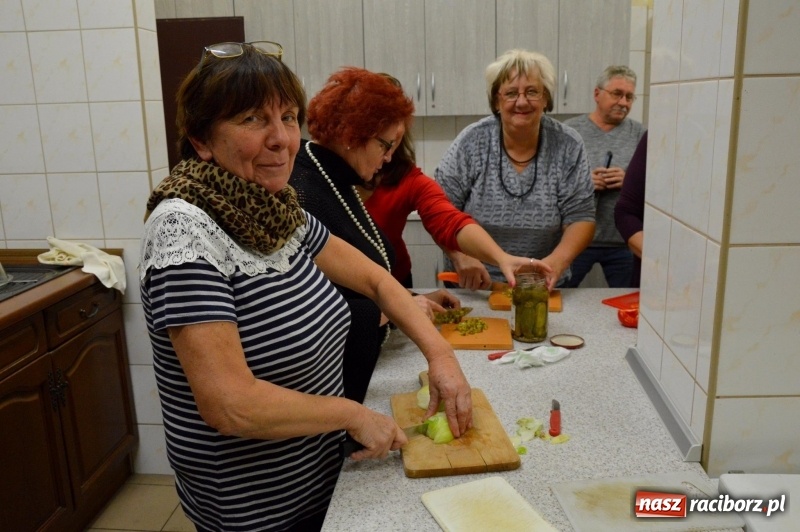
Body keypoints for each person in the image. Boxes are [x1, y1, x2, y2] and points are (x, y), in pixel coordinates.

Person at [139, 43, 472, 532]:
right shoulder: (183, 232)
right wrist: (351, 415)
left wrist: (441, 358)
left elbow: (376, 279)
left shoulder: (276, 210)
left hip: (319, 481)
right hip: (255, 509)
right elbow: (231, 405)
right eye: (253, 119)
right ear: (201, 139)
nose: (281, 139)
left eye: (289, 117)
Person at [291, 67, 549, 403]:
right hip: (327, 387)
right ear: (353, 134)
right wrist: (401, 308)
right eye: (386, 144)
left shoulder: (337, 176)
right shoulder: (303, 190)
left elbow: (445, 220)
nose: (389, 156)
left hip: (361, 364)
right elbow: (310, 309)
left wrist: (412, 298)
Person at [362, 74, 554, 291]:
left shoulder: (409, 179)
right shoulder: (331, 179)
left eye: (392, 143)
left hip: (393, 282)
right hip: (347, 289)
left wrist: (501, 258)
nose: (387, 155)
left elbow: (450, 220)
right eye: (381, 143)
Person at [435, 49, 596, 288]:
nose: (521, 102)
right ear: (496, 101)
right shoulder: (472, 142)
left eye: (532, 91)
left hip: (540, 284)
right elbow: (438, 211)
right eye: (511, 93)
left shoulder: (568, 144)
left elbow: (581, 217)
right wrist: (461, 257)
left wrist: (556, 263)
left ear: (545, 98)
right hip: (477, 283)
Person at [563, 65, 646, 288]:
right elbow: (548, 182)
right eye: (617, 94)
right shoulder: (568, 131)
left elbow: (657, 187)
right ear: (597, 94)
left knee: (628, 301)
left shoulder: (641, 134)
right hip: (575, 237)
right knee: (560, 295)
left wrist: (629, 181)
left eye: (629, 97)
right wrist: (583, 183)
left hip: (624, 240)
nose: (623, 102)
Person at [614, 130, 648, 288]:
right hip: (655, 274)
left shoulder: (637, 131)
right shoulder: (653, 138)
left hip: (620, 247)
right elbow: (625, 211)